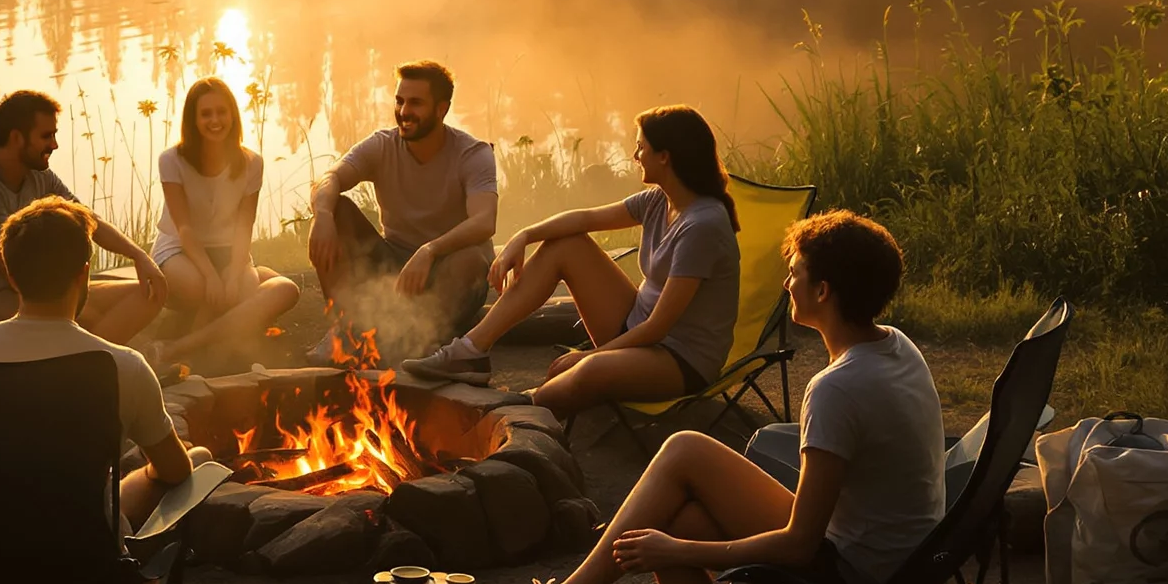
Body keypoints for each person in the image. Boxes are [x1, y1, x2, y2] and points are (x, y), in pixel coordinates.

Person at [464, 210, 947, 584]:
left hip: (862, 565)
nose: (786, 284)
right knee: (678, 510)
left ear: (823, 291)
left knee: (682, 462)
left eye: (795, 273)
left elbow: (799, 543)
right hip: (911, 552)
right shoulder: (895, 345)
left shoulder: (838, 388)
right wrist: (675, 542)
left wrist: (679, 551)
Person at [0, 197, 202, 584]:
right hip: (87, 562)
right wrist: (160, 470)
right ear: (84, 274)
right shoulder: (121, 366)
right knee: (188, 473)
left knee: (7, 490)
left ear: (11, 275)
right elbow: (174, 471)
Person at [403, 105, 741, 418]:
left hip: (679, 358)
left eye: (641, 147)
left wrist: (589, 356)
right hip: (637, 327)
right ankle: (470, 351)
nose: (635, 155)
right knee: (566, 245)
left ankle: (520, 411)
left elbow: (659, 327)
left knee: (588, 371)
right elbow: (583, 219)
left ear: (665, 157)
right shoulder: (659, 200)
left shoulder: (702, 225)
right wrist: (524, 236)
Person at [0, 90, 165, 343]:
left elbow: (88, 219)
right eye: (46, 136)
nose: (55, 145)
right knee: (83, 318)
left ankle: (89, 356)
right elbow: (9, 266)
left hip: (41, 287)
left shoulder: (38, 174)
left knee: (150, 292)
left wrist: (139, 256)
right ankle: (90, 356)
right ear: (16, 138)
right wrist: (69, 299)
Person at [307, 60, 497, 360]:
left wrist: (430, 250)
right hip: (393, 268)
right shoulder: (382, 145)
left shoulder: (472, 154)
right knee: (337, 209)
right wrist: (323, 216)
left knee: (472, 260)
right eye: (399, 101)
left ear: (442, 109)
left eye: (416, 103)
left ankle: (424, 342)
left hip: (449, 270)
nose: (404, 111)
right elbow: (329, 178)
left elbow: (485, 221)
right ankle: (348, 330)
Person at [150, 77, 299, 368]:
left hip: (230, 251)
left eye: (221, 112)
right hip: (180, 249)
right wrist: (211, 276)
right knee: (203, 290)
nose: (215, 120)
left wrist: (232, 273)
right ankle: (209, 347)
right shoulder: (171, 160)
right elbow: (184, 228)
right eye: (206, 114)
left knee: (285, 290)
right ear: (193, 119)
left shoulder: (252, 162)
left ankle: (180, 347)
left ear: (233, 115)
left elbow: (244, 226)